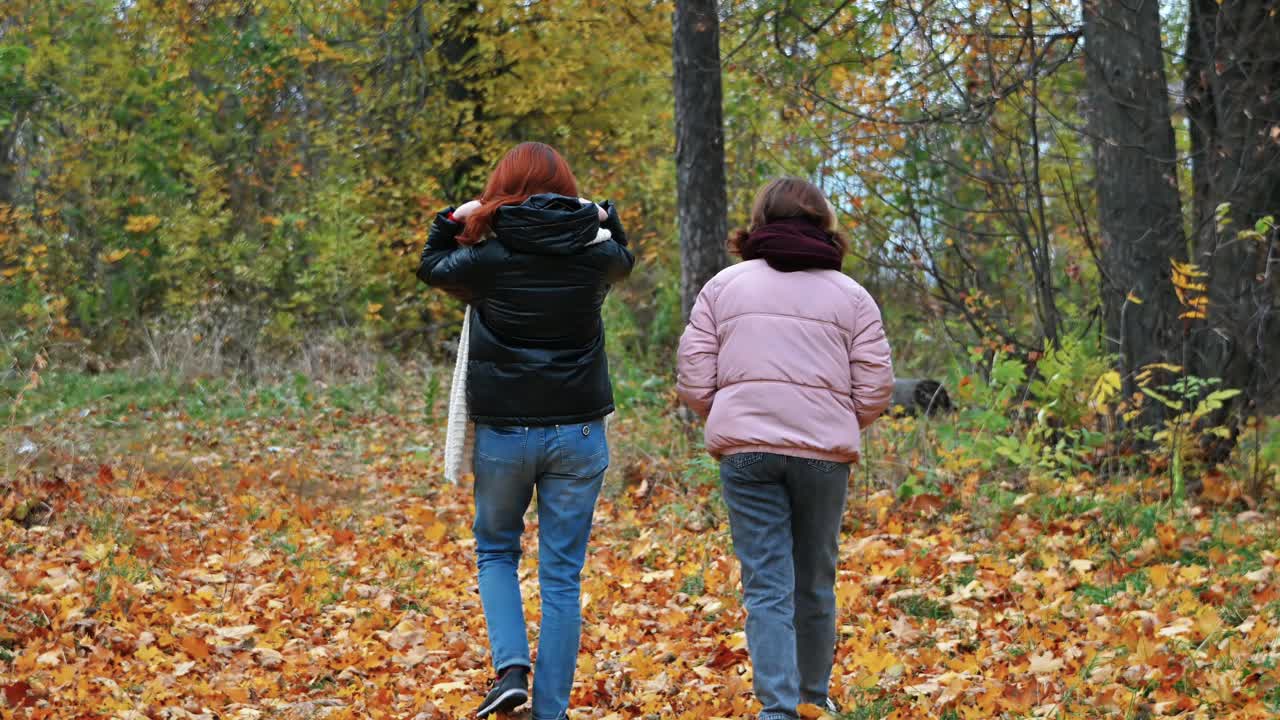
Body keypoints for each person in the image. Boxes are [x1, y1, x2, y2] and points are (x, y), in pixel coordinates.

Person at [417, 142, 634, 720]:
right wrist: (601, 212)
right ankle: (551, 712)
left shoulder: (490, 256)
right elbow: (625, 253)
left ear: (501, 189)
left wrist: (453, 218)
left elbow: (431, 267)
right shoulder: (595, 257)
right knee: (562, 577)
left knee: (495, 553)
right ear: (568, 188)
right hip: (579, 435)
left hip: (506, 434)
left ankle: (511, 669)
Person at [676, 177, 894, 720]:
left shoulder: (724, 287)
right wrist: (835, 422)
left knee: (767, 582)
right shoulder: (852, 296)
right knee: (815, 580)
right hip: (823, 456)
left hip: (747, 455)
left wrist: (732, 418)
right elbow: (876, 387)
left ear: (760, 220)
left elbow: (693, 377)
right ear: (824, 223)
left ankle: (778, 710)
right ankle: (813, 701)